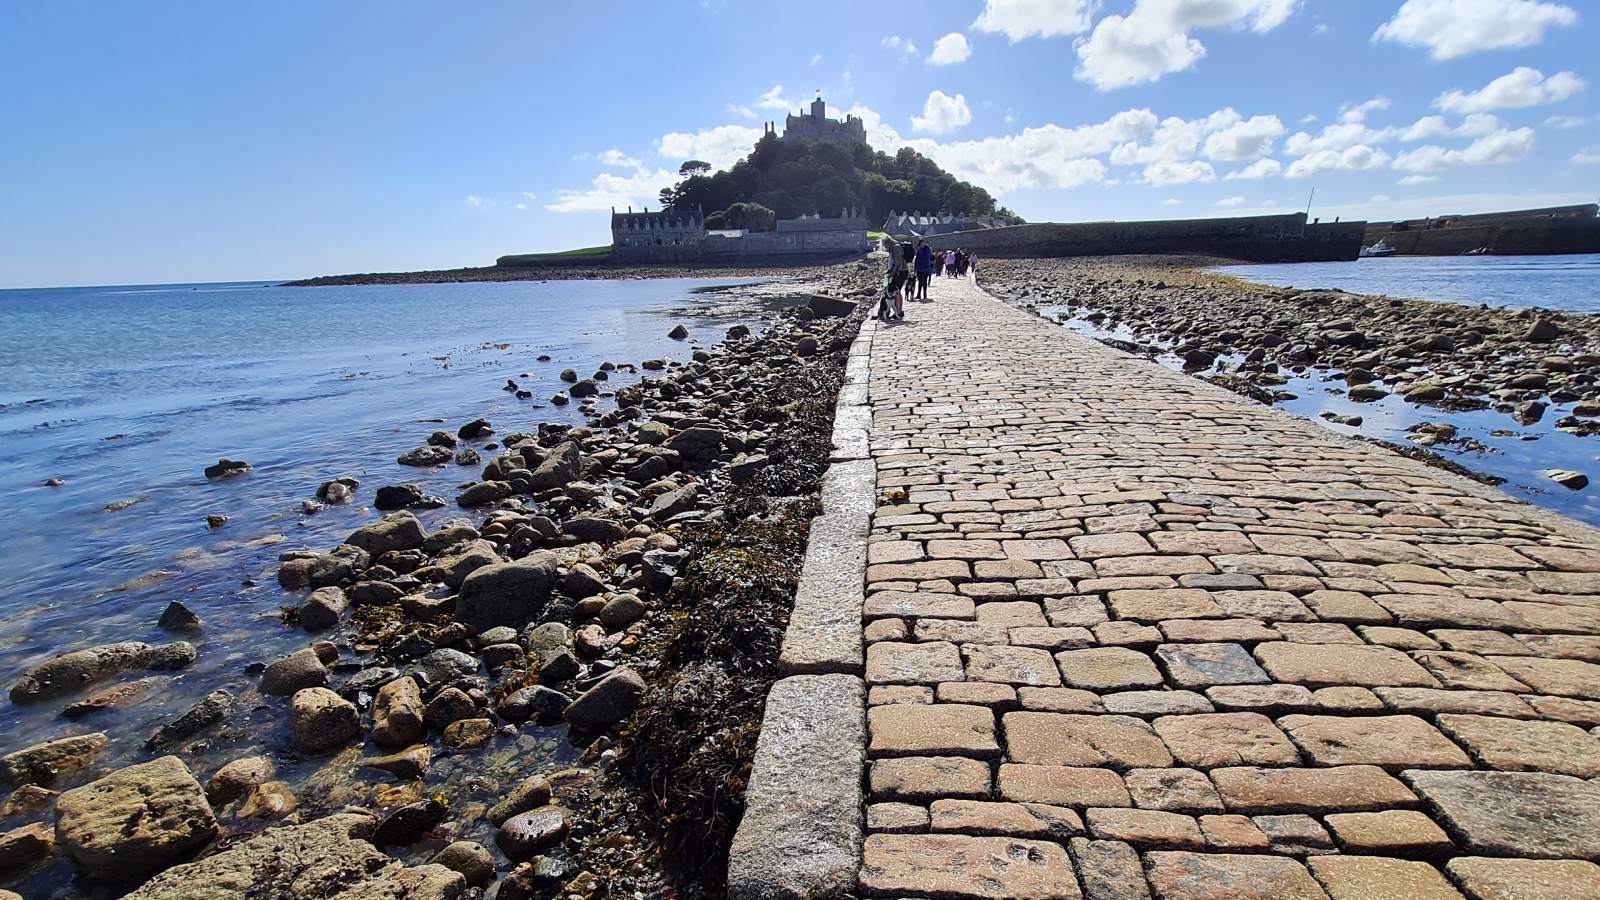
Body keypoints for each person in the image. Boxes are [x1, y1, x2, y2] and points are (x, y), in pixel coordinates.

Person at [880, 234, 907, 321]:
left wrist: (891, 274)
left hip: (901, 272)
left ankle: (899, 312)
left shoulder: (896, 247)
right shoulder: (892, 248)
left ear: (887, 242)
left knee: (897, 291)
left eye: (884, 244)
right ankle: (897, 312)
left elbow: (898, 263)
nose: (884, 247)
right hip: (898, 272)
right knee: (895, 291)